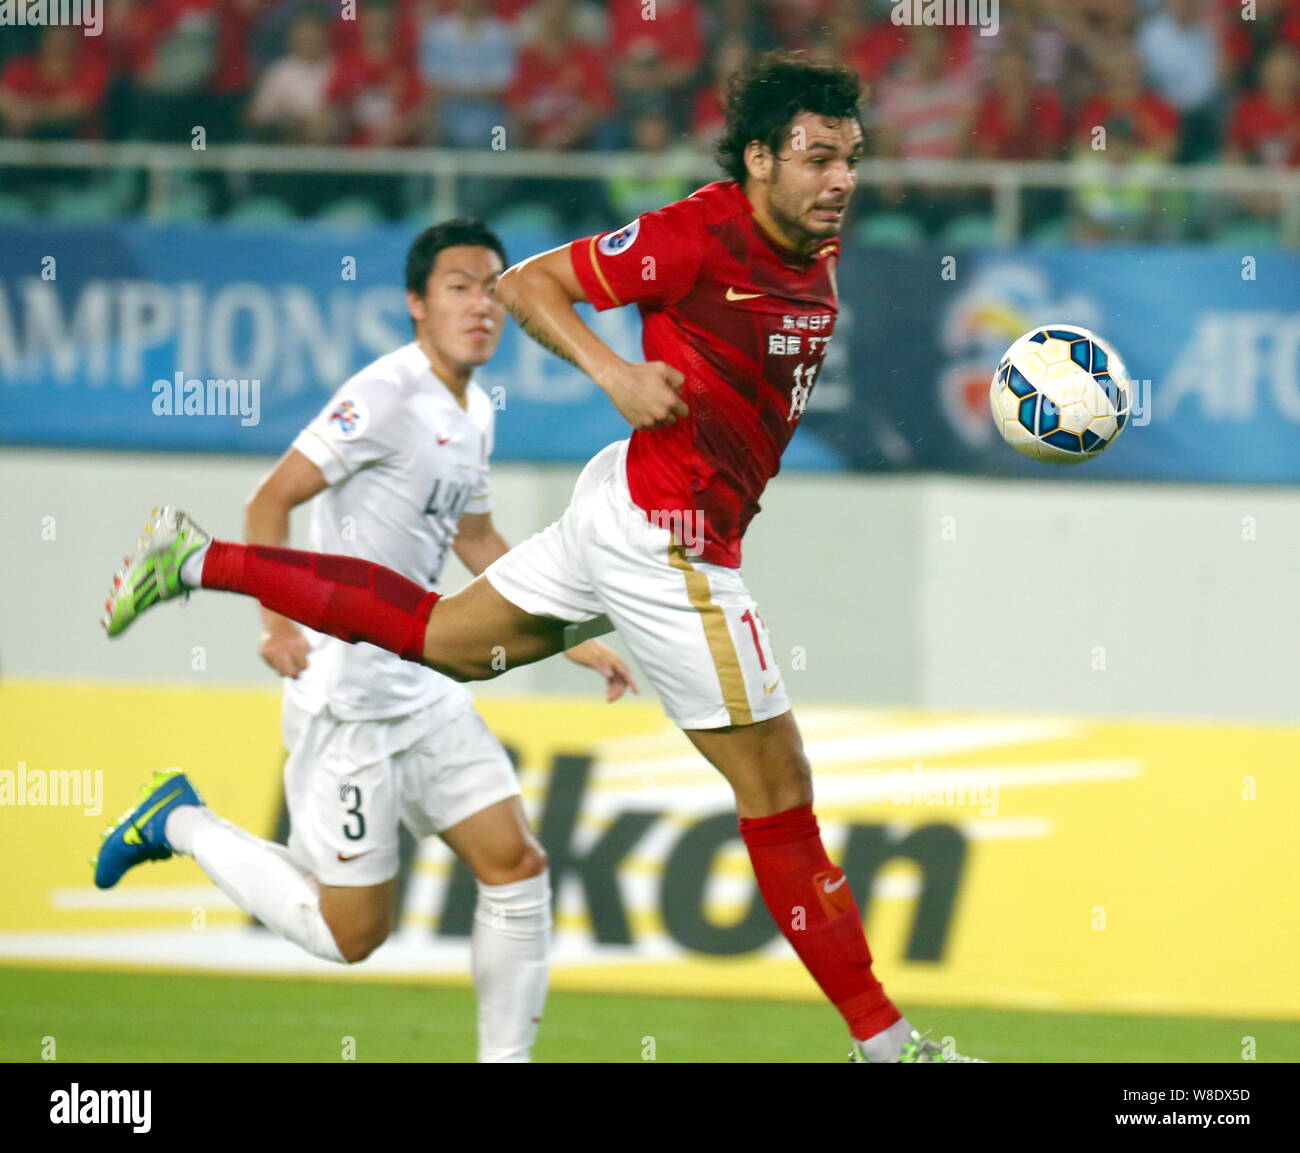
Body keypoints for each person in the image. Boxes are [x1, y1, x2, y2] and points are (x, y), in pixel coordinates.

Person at [100, 52, 982, 1063]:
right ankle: (890, 1046)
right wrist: (613, 371)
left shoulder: (813, 247)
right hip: (667, 540)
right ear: (756, 159)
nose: (841, 182)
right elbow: (529, 283)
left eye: (852, 160)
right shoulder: (693, 235)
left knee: (440, 638)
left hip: (630, 511)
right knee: (778, 789)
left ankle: (200, 560)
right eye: (818, 159)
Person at [94, 220, 636, 1064]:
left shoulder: (477, 412)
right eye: (458, 286)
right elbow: (269, 500)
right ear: (416, 304)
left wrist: (569, 637)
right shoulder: (384, 393)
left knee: (516, 865)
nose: (481, 304)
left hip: (424, 686)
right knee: (353, 934)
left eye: (493, 286)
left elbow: (481, 542)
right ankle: (179, 820)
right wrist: (276, 626)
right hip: (346, 695)